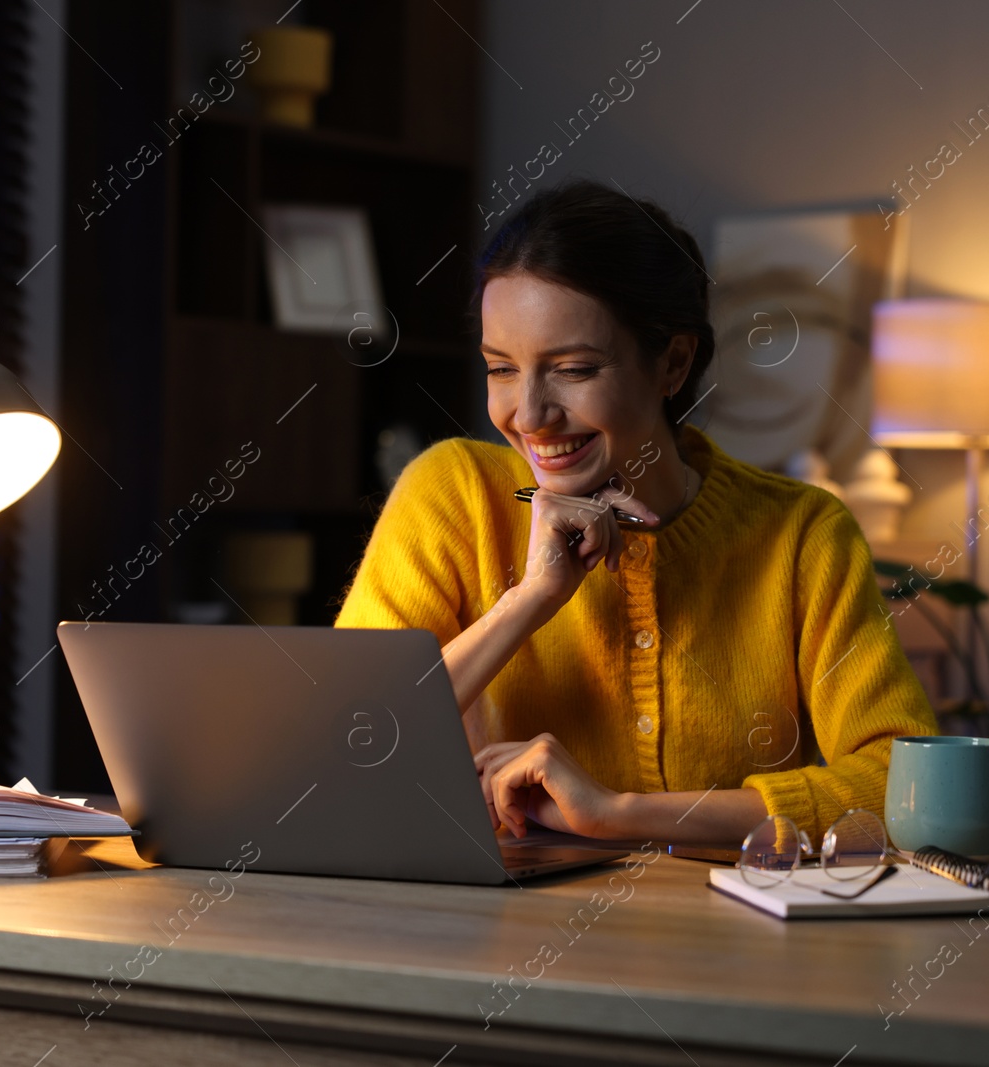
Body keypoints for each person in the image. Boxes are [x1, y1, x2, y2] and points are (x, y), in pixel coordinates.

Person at [335, 179, 937, 846]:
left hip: (732, 941)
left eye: (573, 369)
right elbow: (340, 748)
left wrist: (619, 814)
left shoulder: (801, 535)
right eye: (501, 368)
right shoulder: (453, 493)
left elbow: (912, 788)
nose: (529, 414)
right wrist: (532, 598)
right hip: (497, 938)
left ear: (672, 362)